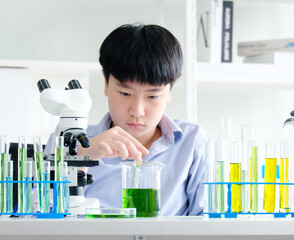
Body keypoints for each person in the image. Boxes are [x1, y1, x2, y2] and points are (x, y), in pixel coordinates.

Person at [45, 24, 208, 216]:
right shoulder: (66, 140)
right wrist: (81, 158)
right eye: (125, 92)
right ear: (106, 83)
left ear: (169, 91)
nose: (137, 111)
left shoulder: (192, 142)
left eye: (152, 96)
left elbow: (209, 225)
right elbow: (39, 222)